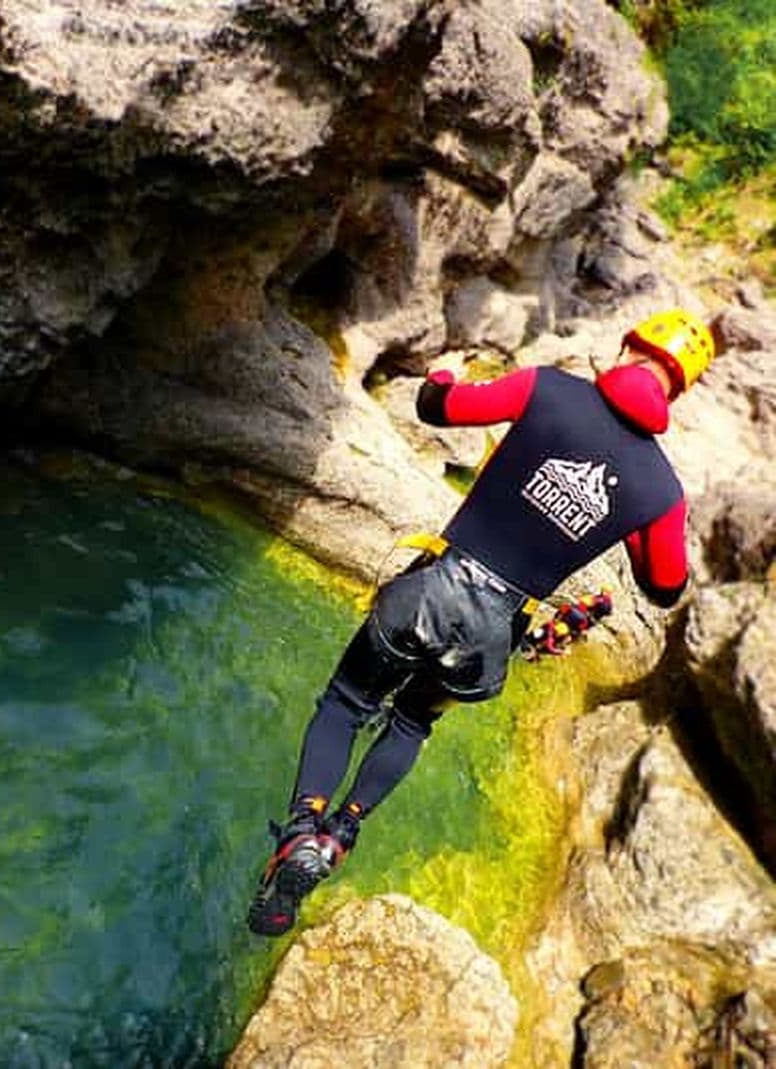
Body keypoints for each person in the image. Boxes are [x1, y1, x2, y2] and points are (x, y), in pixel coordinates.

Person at [247, 307, 715, 937]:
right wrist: (635, 528)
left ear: (631, 346)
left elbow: (437, 409)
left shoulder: (548, 387)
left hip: (433, 590)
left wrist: (442, 375)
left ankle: (304, 828)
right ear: (678, 389)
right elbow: (665, 588)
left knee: (346, 703)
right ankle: (346, 828)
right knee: (411, 723)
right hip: (495, 632)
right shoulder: (662, 489)